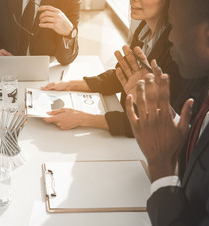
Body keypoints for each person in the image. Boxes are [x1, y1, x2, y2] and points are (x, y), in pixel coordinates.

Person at [41, 0, 200, 134]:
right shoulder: (144, 29)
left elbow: (156, 118)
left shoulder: (178, 49)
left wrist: (83, 119)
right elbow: (123, 74)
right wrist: (70, 85)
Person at [126, 0, 209, 226]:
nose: (171, 37)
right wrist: (161, 113)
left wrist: (161, 167)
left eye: (174, 26)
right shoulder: (206, 92)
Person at [0, 0, 80, 65]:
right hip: (3, 63)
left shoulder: (69, 1)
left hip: (42, 71)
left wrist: (69, 33)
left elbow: (67, 60)